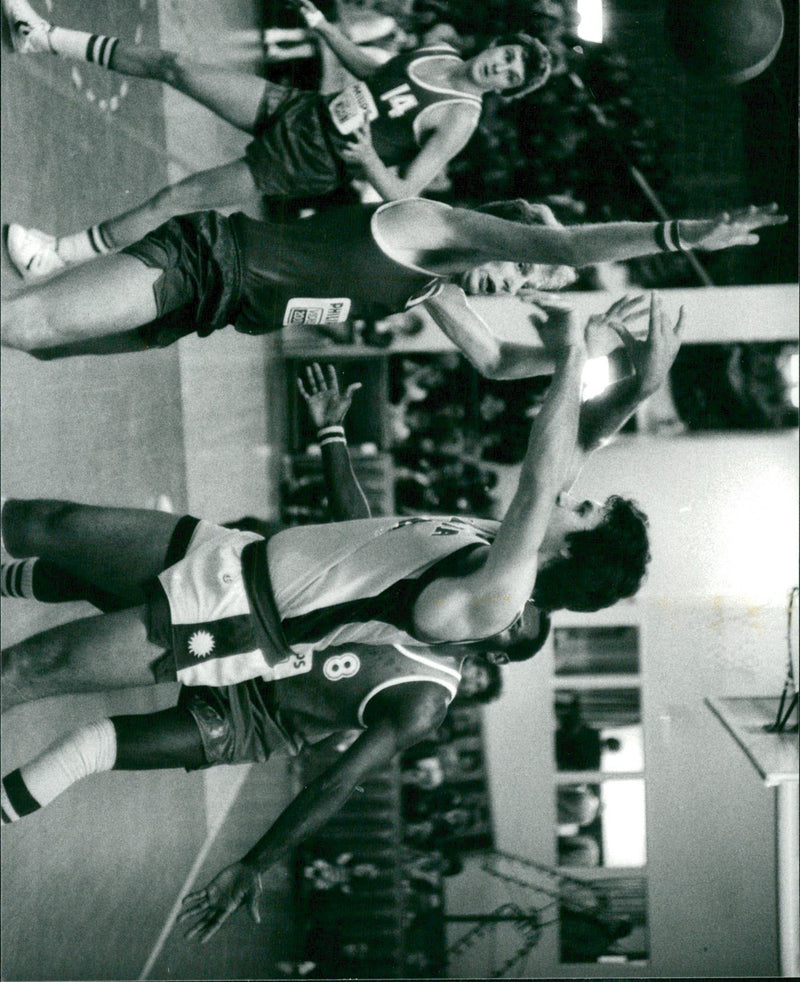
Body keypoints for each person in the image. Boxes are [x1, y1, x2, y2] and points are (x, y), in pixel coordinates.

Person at [1, 364, 546, 943]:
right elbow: (359, 533)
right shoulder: (440, 585)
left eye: (512, 624)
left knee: (90, 744)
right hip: (250, 604)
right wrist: (332, 433)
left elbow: (336, 784)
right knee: (89, 572)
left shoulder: (425, 700)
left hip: (253, 713)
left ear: (498, 657)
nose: (504, 604)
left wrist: (254, 863)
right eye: (516, 600)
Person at [2, 293, 680, 720]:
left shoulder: (502, 593)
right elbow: (576, 444)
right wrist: (639, 386)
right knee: (42, 522)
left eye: (585, 511)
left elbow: (541, 477)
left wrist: (571, 357)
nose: (575, 497)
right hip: (233, 556)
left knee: (29, 668)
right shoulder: (501, 539)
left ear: (571, 548)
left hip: (238, 618)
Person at [2, 0, 551, 276]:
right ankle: (41, 35)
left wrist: (368, 161)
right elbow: (373, 70)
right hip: (303, 109)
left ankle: (54, 256)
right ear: (498, 45)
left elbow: (406, 193)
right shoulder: (441, 48)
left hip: (311, 160)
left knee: (175, 197)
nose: (498, 66)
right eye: (506, 55)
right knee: (178, 67)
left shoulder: (459, 118)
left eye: (508, 74)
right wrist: (321, 27)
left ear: (506, 88)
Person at [1, 178, 784, 373]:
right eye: (517, 264)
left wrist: (586, 354)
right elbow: (572, 250)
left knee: (41, 345)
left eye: (519, 285)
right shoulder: (431, 228)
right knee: (24, 325)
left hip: (210, 308)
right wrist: (679, 235)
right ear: (500, 233)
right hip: (207, 258)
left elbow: (495, 361)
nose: (515, 283)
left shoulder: (430, 287)